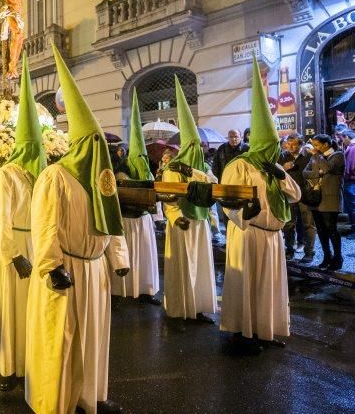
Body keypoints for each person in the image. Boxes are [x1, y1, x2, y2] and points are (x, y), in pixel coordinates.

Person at [25, 44, 129, 414]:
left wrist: (118, 258)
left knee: (93, 338)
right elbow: (45, 227)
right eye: (95, 144)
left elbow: (112, 221)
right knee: (63, 340)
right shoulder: (56, 177)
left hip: (95, 268)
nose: (102, 150)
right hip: (66, 271)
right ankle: (57, 400)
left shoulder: (102, 181)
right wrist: (51, 267)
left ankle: (87, 395)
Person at [220, 59, 301, 354]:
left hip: (272, 235)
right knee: (248, 287)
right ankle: (244, 332)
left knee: (269, 287)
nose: (275, 151)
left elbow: (296, 196)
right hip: (249, 232)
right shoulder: (239, 164)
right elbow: (227, 202)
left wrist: (281, 175)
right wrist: (244, 215)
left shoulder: (272, 168)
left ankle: (266, 329)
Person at [0, 57, 46, 392]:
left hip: (34, 246)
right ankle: (7, 366)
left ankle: (29, 361)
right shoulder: (6, 175)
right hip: (14, 252)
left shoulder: (36, 176)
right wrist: (12, 254)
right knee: (12, 308)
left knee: (31, 310)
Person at [161, 77, 217, 324]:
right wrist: (176, 217)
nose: (197, 149)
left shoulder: (201, 166)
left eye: (198, 145)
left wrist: (193, 172)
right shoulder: (172, 167)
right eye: (192, 145)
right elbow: (168, 199)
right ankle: (180, 308)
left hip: (200, 222)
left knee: (201, 268)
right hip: (182, 223)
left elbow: (213, 186)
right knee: (184, 267)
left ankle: (198, 306)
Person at [111, 89, 161, 307]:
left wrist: (155, 213)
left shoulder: (147, 171)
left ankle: (145, 290)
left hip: (143, 221)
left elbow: (152, 191)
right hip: (128, 221)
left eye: (143, 156)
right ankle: (122, 291)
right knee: (129, 256)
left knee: (145, 258)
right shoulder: (121, 172)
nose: (141, 159)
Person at [303, 134, 345, 270]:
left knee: (331, 229)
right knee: (321, 230)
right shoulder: (316, 157)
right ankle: (327, 255)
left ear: (326, 144)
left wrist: (319, 159)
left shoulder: (338, 155)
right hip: (315, 198)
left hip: (330, 198)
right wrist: (319, 173)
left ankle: (338, 257)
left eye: (317, 145)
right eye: (314, 145)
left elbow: (327, 168)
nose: (314, 148)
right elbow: (305, 172)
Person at [280, 134, 317, 263]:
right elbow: (276, 173)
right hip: (289, 195)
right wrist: (283, 168)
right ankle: (289, 250)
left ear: (300, 144)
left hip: (305, 195)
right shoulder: (283, 157)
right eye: (288, 143)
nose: (290, 146)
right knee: (288, 225)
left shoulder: (307, 155)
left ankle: (309, 252)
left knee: (308, 225)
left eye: (293, 144)